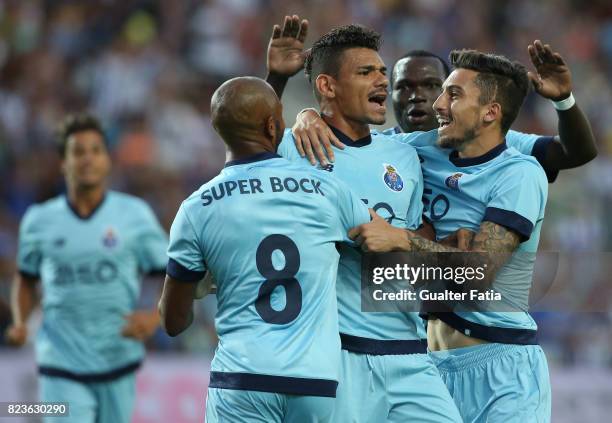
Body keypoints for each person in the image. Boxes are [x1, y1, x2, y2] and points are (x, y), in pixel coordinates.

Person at [267, 19, 463, 423]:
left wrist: (401, 240)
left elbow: (408, 251)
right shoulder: (293, 148)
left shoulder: (404, 155)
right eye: (365, 72)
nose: (380, 80)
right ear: (327, 86)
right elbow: (244, 144)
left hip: (409, 351)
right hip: (339, 354)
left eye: (381, 72)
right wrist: (278, 84)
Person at [350, 50, 552, 422]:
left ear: (490, 112)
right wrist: (308, 115)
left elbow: (477, 276)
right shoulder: (420, 150)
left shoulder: (519, 174)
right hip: (427, 366)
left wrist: (404, 240)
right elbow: (349, 147)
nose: (438, 104)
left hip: (501, 369)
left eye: (453, 95)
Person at [158, 76, 370, 423]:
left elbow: (174, 322)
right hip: (315, 382)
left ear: (217, 130)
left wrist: (205, 282)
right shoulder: (327, 189)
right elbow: (386, 249)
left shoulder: (197, 208)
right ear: (273, 125)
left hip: (241, 381)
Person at [5, 113, 168, 423]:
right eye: (78, 152)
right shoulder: (39, 220)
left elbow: (172, 274)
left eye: (96, 150)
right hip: (59, 360)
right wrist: (20, 321)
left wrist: (155, 316)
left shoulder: (134, 215)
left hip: (117, 358)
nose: (87, 159)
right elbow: (26, 279)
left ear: (108, 160)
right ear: (64, 163)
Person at [292, 43, 597, 183]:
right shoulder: (381, 147)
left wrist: (564, 101)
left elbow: (577, 153)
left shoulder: (487, 142)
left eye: (431, 85)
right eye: (404, 87)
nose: (417, 96)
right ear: (388, 93)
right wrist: (309, 114)